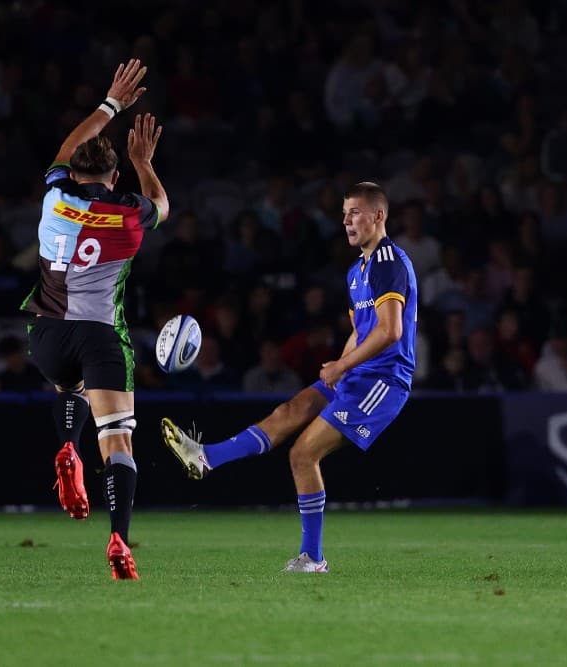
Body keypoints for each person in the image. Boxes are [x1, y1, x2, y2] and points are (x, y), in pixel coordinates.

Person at [161, 182, 418, 573]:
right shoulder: (357, 271)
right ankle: (206, 457)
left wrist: (343, 367)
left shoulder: (388, 261)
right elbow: (362, 331)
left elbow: (390, 331)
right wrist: (341, 362)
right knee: (287, 411)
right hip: (357, 373)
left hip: (382, 383)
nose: (346, 220)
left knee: (303, 453)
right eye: (344, 212)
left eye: (355, 212)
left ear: (378, 216)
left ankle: (313, 559)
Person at [21, 59, 168, 580]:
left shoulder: (54, 198)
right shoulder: (127, 214)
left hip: (45, 334)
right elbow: (162, 205)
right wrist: (144, 160)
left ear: (73, 172)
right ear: (115, 175)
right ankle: (118, 542)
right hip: (99, 335)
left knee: (70, 387)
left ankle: (66, 444)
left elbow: (64, 151)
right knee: (118, 439)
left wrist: (110, 104)